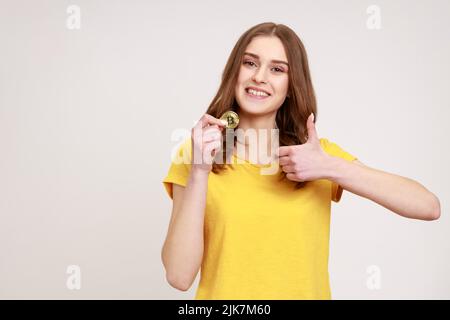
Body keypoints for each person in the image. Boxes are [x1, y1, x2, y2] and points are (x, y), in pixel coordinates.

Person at [161, 22, 441, 300]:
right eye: (250, 63)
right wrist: (199, 171)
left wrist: (329, 167)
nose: (259, 77)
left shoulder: (316, 155)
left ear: (292, 86)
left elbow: (428, 207)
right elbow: (178, 276)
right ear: (234, 72)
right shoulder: (198, 154)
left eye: (277, 69)